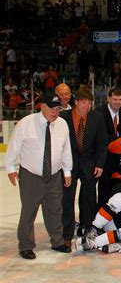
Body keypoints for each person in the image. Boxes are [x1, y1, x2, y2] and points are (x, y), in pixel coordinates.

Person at [4, 94, 73, 259]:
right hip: (31, 175)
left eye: (58, 109)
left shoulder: (62, 124)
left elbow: (66, 149)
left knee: (55, 210)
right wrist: (11, 168)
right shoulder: (26, 123)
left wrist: (67, 171)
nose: (55, 112)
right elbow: (14, 145)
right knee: (29, 211)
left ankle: (57, 241)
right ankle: (26, 245)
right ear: (42, 106)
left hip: (55, 175)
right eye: (52, 108)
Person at [61, 89, 108, 243]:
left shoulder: (97, 117)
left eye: (90, 103)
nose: (87, 106)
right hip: (69, 165)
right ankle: (66, 234)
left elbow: (102, 143)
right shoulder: (64, 118)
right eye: (84, 102)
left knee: (89, 198)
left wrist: (100, 164)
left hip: (89, 164)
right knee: (67, 198)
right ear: (76, 102)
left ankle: (88, 228)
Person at [95, 88, 121, 206]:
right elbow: (101, 136)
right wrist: (120, 140)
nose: (118, 102)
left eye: (120, 100)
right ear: (108, 99)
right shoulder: (99, 113)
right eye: (115, 99)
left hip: (120, 158)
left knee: (118, 188)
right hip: (104, 157)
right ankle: (101, 212)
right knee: (104, 188)